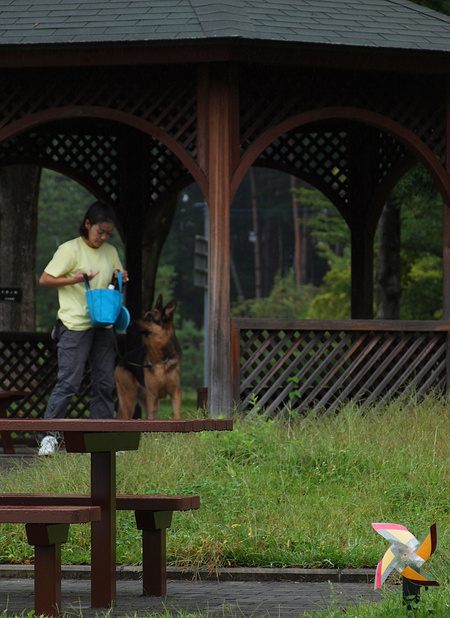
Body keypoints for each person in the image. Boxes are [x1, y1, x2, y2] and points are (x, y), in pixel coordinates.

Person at [38, 201, 128, 455]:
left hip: (103, 323)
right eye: (100, 231)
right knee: (68, 381)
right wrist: (74, 279)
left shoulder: (110, 251)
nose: (103, 237)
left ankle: (102, 437)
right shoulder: (70, 250)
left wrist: (121, 277)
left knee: (103, 382)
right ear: (87, 224)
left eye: (108, 233)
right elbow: (45, 279)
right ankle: (49, 437)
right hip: (74, 324)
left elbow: (117, 274)